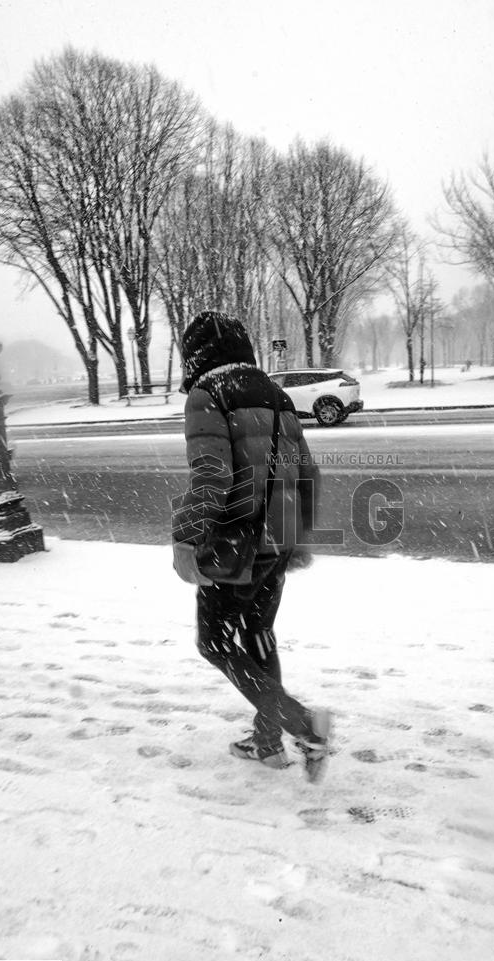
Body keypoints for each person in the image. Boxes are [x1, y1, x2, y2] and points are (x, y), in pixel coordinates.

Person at [171, 311, 332, 782]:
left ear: (195, 355)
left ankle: (304, 726)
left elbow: (212, 475)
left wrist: (185, 537)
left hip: (233, 543)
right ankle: (266, 743)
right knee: (258, 634)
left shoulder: (209, 394)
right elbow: (309, 474)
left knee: (216, 642)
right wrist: (297, 539)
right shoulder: (277, 395)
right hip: (276, 541)